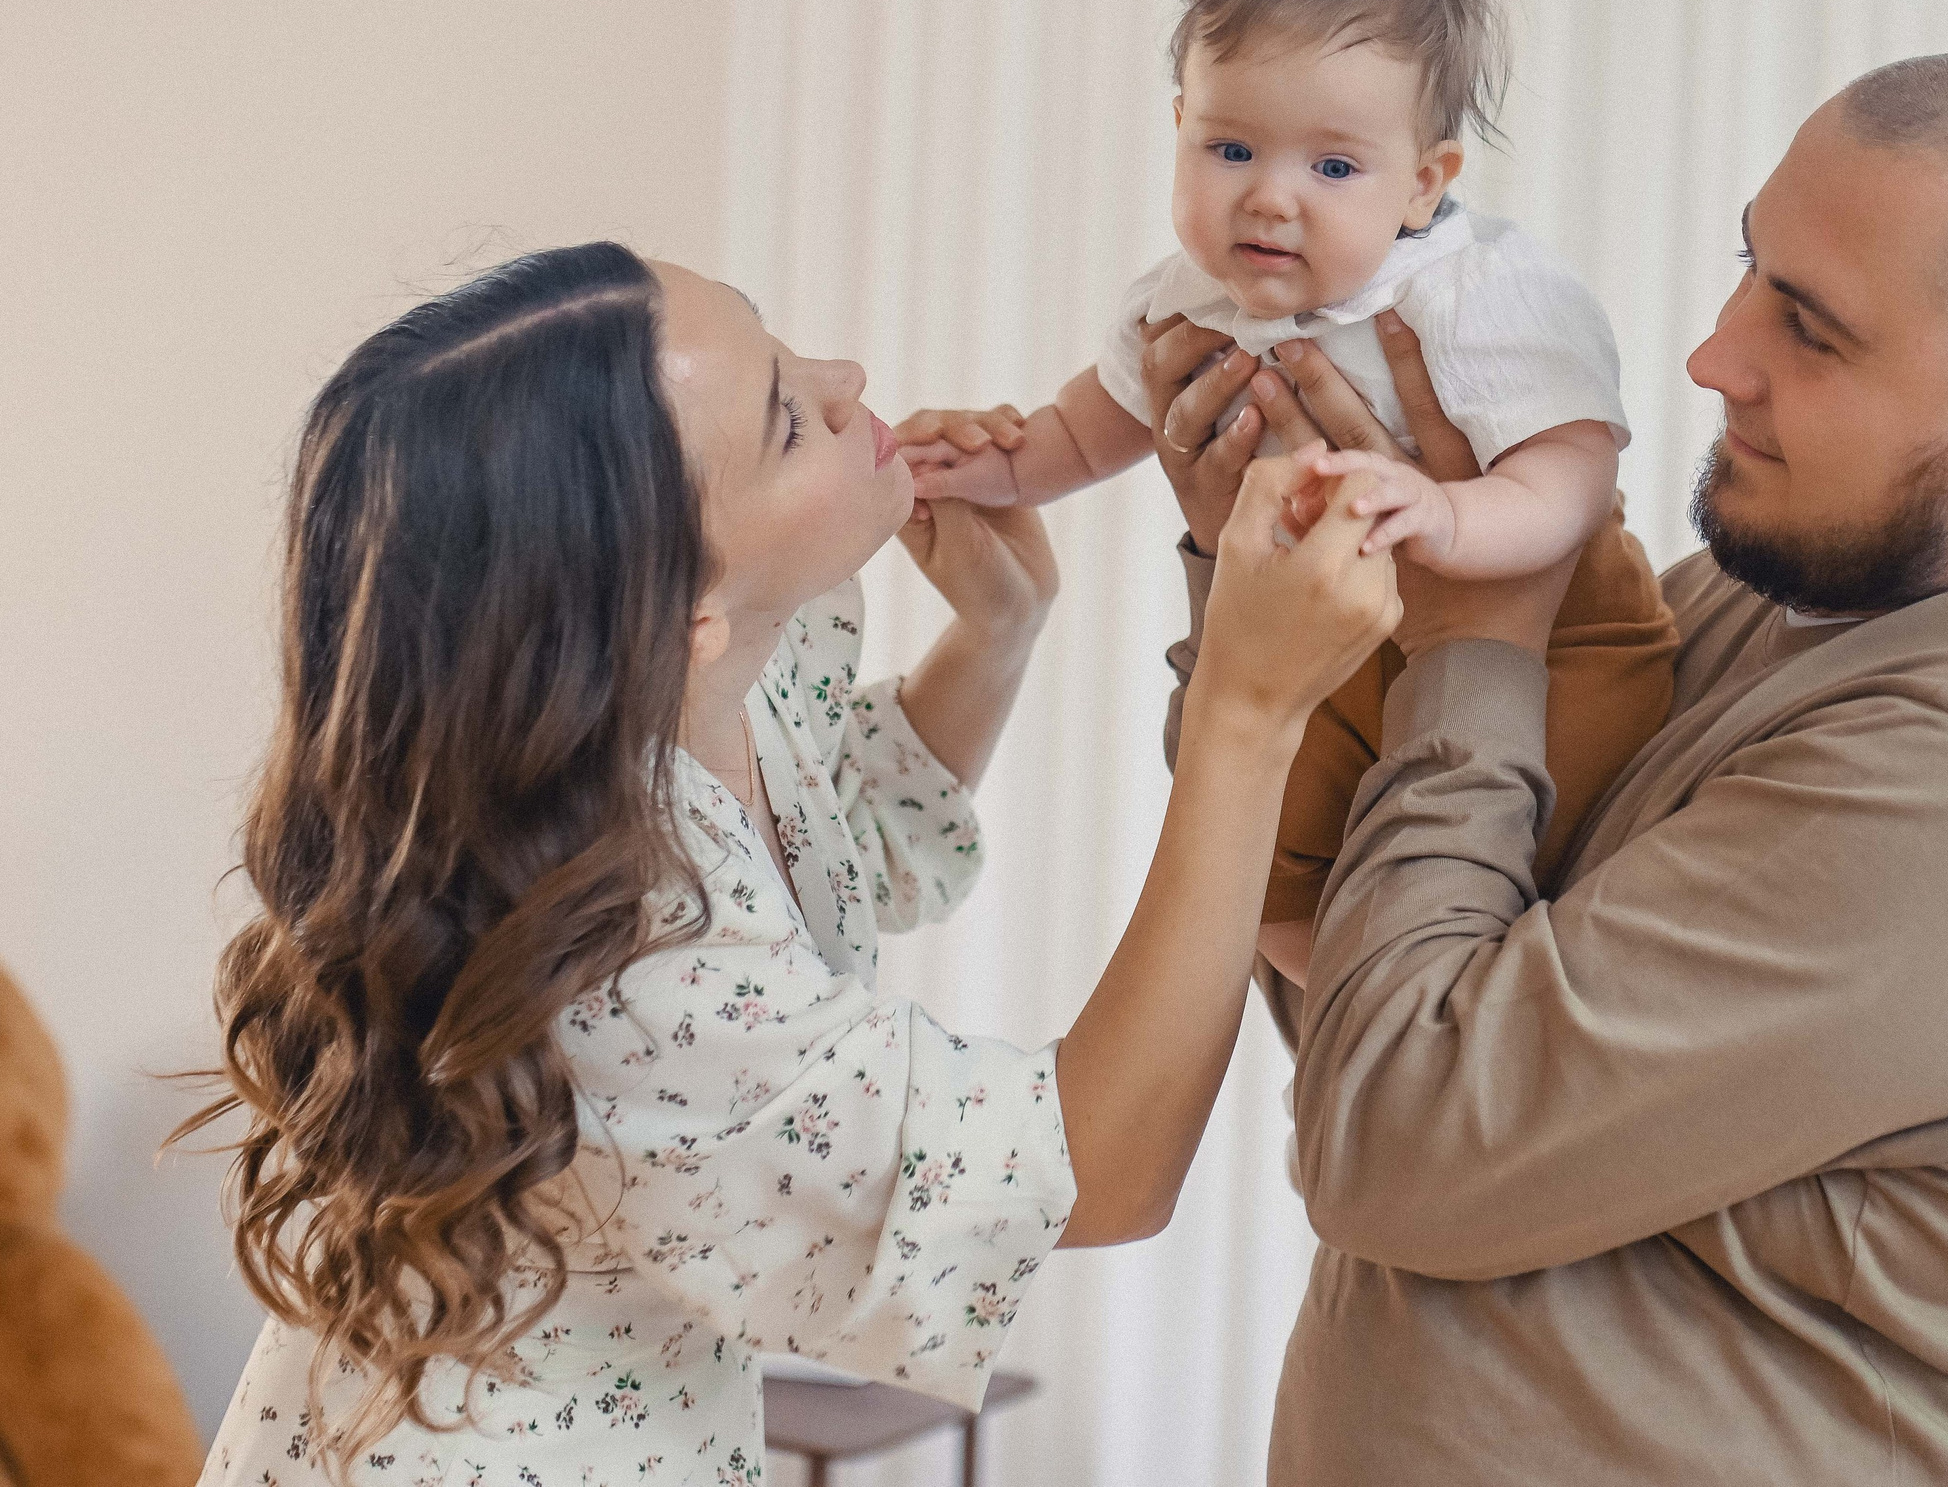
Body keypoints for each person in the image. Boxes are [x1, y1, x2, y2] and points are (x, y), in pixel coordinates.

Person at [1156, 49, 1948, 1483]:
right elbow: (1361, 987)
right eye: (1747, 265)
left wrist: (1475, 642)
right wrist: (1271, 576)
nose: (1716, 357)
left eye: (1813, 330)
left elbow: (1392, 1142)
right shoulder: (1772, 593)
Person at [181, 243, 1399, 1484]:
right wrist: (1247, 714)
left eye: (784, 349)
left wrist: (997, 628)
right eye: (783, 423)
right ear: (681, 614)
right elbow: (1101, 1168)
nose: (846, 380)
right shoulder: (624, 960)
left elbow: (833, 851)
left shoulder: (683, 696)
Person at [896, 0, 1676, 984]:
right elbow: (1095, 424)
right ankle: (1354, 992)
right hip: (1321, 641)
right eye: (1230, 147)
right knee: (1253, 831)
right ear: (1178, 126)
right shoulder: (1187, 298)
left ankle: (1507, 976)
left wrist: (1450, 515)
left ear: (1425, 183)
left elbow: (1573, 472)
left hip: (1549, 635)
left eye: (1334, 168)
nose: (1269, 195)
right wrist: (999, 462)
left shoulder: (1480, 294)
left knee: (1585, 777)